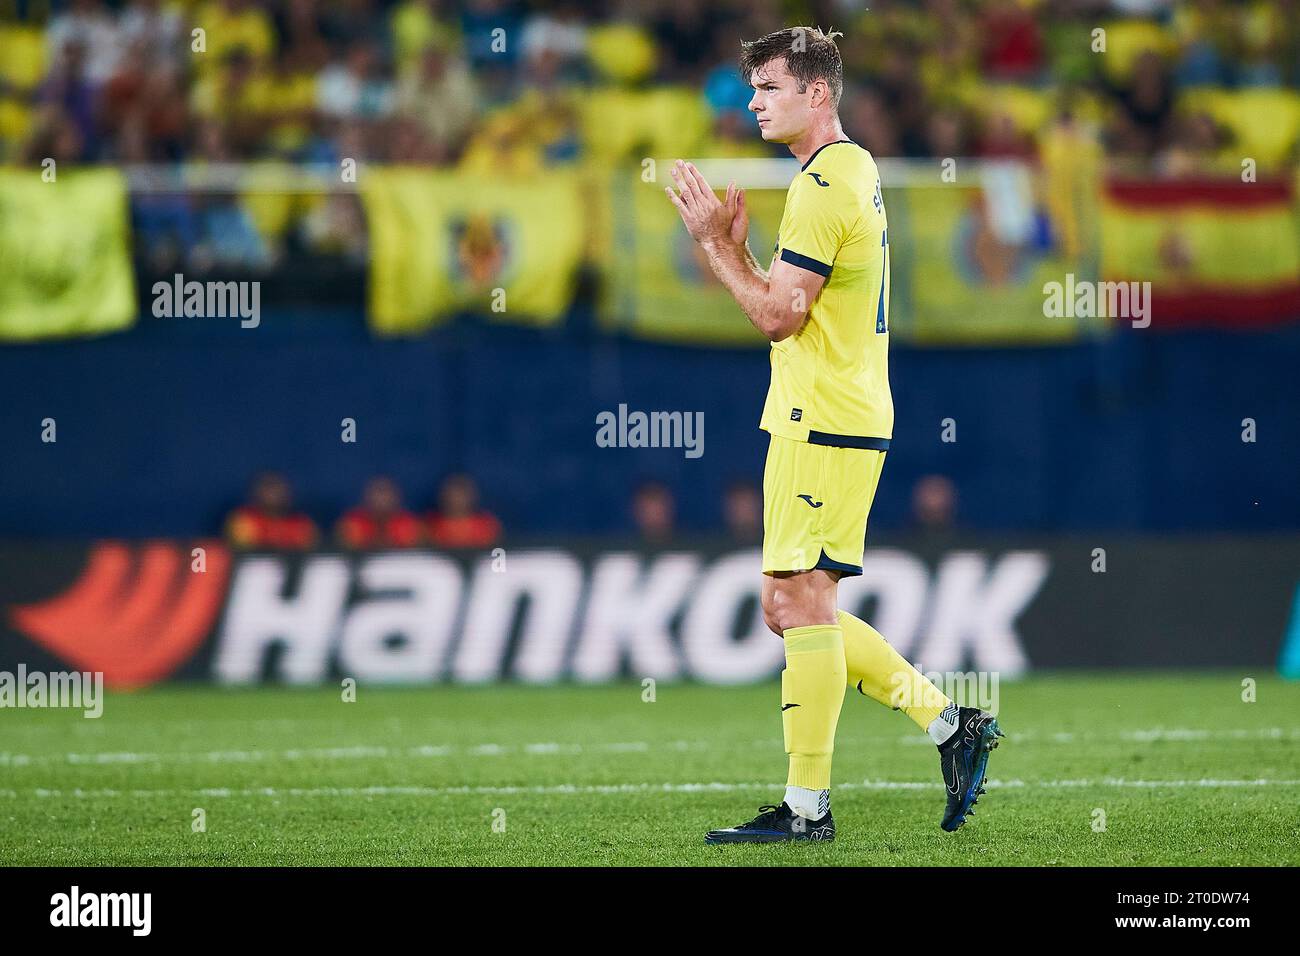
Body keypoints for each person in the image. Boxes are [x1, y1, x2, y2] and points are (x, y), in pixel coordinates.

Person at [665, 26, 1002, 844]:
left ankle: (808, 808)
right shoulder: (848, 170)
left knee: (798, 601)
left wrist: (717, 248)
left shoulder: (824, 183)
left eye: (769, 87)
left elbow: (781, 315)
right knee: (793, 606)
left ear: (818, 92)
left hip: (825, 416)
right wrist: (741, 252)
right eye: (752, 89)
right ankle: (951, 726)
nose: (752, 102)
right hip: (832, 413)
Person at [225, 471, 318, 550]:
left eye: (277, 489)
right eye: (268, 489)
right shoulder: (244, 519)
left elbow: (310, 550)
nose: (273, 495)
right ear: (256, 493)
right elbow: (240, 550)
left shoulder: (301, 523)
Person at [336, 476, 423, 549]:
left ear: (396, 497)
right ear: (367, 497)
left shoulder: (408, 523)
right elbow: (345, 546)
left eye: (386, 493)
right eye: (378, 493)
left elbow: (415, 549)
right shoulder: (353, 522)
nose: (381, 500)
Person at [427, 473, 501, 547]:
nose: (456, 500)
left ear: (472, 496)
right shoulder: (430, 526)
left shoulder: (486, 526)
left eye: (461, 495)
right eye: (452, 495)